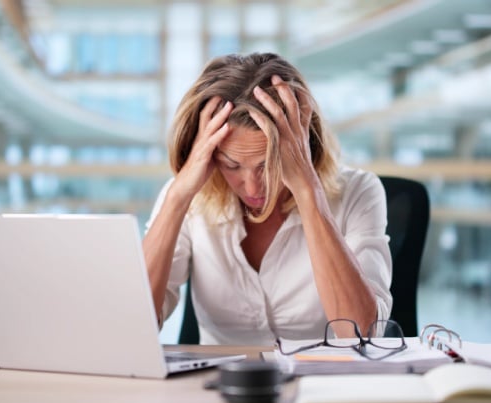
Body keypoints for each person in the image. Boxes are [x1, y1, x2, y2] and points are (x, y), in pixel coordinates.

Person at [143, 52, 392, 345]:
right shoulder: (188, 198)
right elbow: (133, 326)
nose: (252, 187)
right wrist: (177, 199)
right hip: (218, 385)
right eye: (232, 165)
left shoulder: (359, 192)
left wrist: (308, 193)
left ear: (302, 147)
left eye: (267, 165)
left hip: (322, 386)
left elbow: (361, 333)